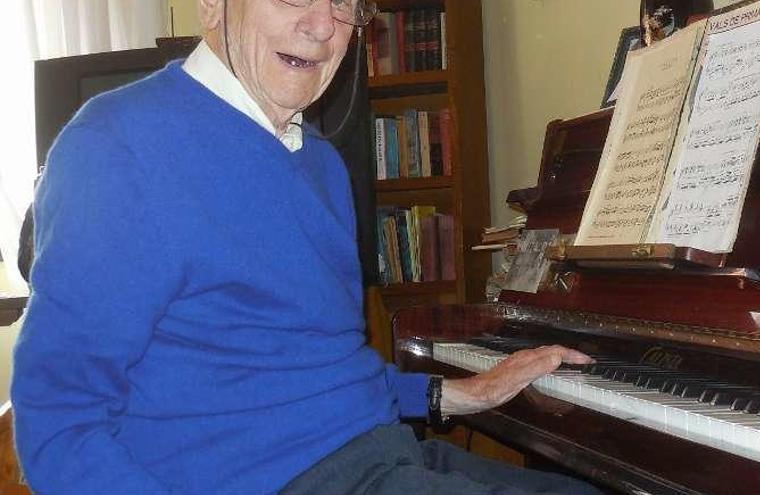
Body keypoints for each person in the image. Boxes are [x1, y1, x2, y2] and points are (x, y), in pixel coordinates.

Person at [11, 1, 603, 494]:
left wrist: (454, 393)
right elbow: (59, 422)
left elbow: (320, 368)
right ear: (212, 5)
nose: (322, 25)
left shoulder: (319, 160)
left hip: (381, 454)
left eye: (345, 2)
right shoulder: (117, 145)